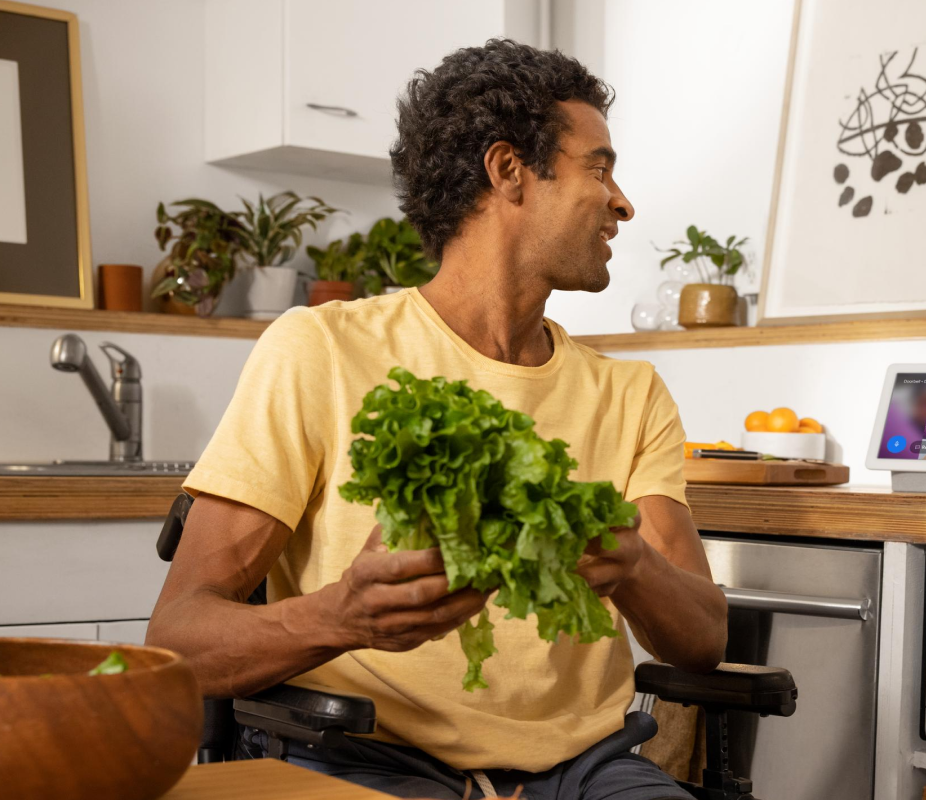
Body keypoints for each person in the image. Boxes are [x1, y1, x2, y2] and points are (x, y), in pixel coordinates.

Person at [145, 40, 727, 800]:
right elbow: (178, 640)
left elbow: (703, 640)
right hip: (370, 760)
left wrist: (634, 567)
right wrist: (342, 617)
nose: (622, 201)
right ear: (508, 170)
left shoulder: (632, 393)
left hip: (588, 772)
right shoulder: (320, 350)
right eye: (599, 167)